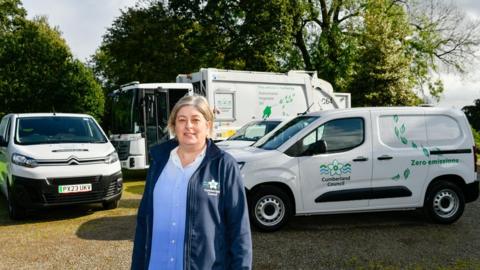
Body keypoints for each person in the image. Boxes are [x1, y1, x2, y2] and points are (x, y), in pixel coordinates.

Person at [131, 95, 252, 270]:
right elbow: (143, 222)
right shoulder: (158, 163)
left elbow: (239, 230)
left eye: (195, 120)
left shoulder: (224, 166)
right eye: (182, 120)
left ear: (207, 125)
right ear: (174, 125)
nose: (188, 126)